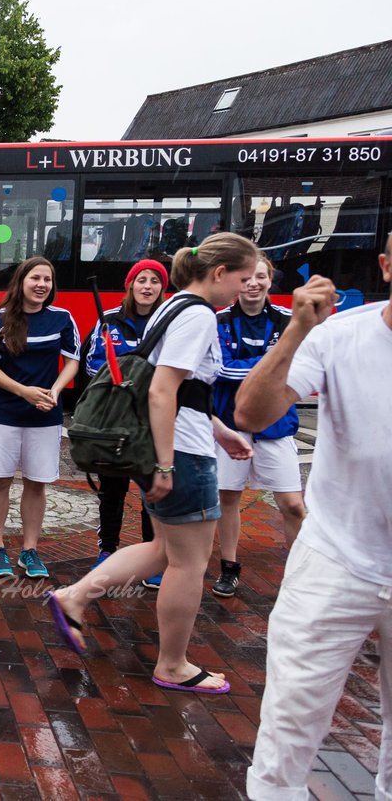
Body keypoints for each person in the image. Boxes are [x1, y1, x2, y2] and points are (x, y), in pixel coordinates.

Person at [47, 233, 259, 696]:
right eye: (243, 278)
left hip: (179, 443)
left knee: (166, 549)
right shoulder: (199, 313)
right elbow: (162, 390)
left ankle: (74, 597)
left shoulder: (175, 306)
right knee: (189, 562)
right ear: (219, 273)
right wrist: (165, 464)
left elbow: (181, 390)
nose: (244, 289)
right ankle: (173, 664)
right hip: (182, 452)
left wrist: (216, 429)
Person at [240, 242, 388, 799]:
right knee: (290, 724)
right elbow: (252, 412)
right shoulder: (339, 335)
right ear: (387, 266)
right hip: (336, 556)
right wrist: (298, 328)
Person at [0, 256, 80, 579]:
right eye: (35, 278)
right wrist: (24, 391)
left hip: (46, 416)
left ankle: (29, 550)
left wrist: (54, 391)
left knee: (37, 484)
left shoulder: (62, 318)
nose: (41, 285)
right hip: (5, 413)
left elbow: (73, 361)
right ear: (21, 281)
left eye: (47, 280)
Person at [211, 254, 304, 597]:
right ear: (237, 281)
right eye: (247, 277)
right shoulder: (217, 320)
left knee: (293, 504)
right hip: (232, 425)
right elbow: (222, 370)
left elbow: (293, 369)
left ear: (270, 279)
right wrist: (269, 362)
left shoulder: (289, 320)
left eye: (260, 277)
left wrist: (262, 366)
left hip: (277, 425)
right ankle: (229, 567)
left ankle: (299, 575)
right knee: (228, 498)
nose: (253, 283)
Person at [82, 258, 168, 570]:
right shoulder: (109, 321)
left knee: (152, 493)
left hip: (151, 422)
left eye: (155, 281)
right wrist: (131, 376)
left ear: (162, 288)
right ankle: (107, 551)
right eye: (141, 280)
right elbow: (93, 365)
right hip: (114, 422)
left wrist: (131, 371)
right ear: (130, 285)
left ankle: (151, 556)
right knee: (112, 491)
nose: (148, 286)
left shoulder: (167, 322)